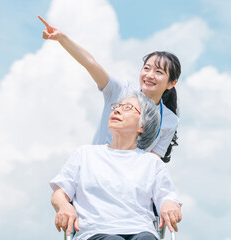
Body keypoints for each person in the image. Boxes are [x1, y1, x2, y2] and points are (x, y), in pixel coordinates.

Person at [38, 16, 180, 162]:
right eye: (147, 68)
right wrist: (62, 38)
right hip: (94, 169)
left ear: (171, 83)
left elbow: (152, 162)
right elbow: (91, 63)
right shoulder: (121, 91)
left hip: (129, 180)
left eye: (159, 72)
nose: (150, 75)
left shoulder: (170, 120)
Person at [50, 91, 182, 240]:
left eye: (127, 108)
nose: (117, 110)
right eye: (117, 107)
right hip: (95, 232)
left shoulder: (152, 163)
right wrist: (64, 206)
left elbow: (167, 197)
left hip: (141, 230)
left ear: (142, 126)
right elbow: (59, 194)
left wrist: (169, 205)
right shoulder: (84, 155)